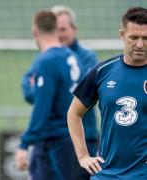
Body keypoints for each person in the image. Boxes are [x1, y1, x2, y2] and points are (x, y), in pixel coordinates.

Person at [67, 7, 147, 179]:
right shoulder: (102, 71)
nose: (140, 44)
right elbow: (74, 113)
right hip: (106, 174)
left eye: (145, 38)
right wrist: (83, 156)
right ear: (122, 35)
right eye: (134, 37)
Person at [15, 10, 84, 180]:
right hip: (73, 138)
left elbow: (42, 107)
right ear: (55, 29)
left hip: (54, 143)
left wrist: (24, 144)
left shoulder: (46, 60)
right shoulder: (71, 56)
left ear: (35, 32)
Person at [51, 5, 99, 179]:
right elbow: (29, 90)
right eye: (54, 30)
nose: (59, 34)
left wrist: (50, 85)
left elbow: (78, 91)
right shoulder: (44, 57)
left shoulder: (87, 57)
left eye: (62, 29)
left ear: (74, 29)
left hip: (84, 139)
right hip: (54, 139)